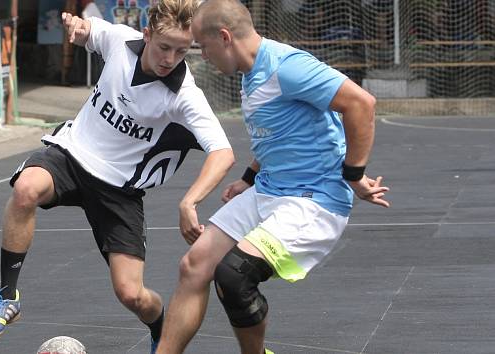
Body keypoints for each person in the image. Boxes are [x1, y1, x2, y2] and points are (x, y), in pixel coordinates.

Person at [0, 1, 235, 353]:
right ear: (147, 35)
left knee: (132, 294)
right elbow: (88, 32)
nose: (170, 58)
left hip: (118, 190)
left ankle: (159, 326)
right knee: (26, 188)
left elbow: (223, 152)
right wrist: (76, 26)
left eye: (181, 50)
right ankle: (7, 297)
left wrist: (190, 200)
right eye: (163, 47)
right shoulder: (120, 41)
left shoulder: (184, 95)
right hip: (71, 154)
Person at [155, 0, 390, 353]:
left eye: (203, 47)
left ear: (224, 37)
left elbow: (361, 104)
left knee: (233, 276)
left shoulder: (288, 67)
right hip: (269, 190)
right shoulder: (251, 75)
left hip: (313, 201)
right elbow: (279, 134)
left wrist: (354, 175)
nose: (203, 56)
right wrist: (248, 178)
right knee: (195, 264)